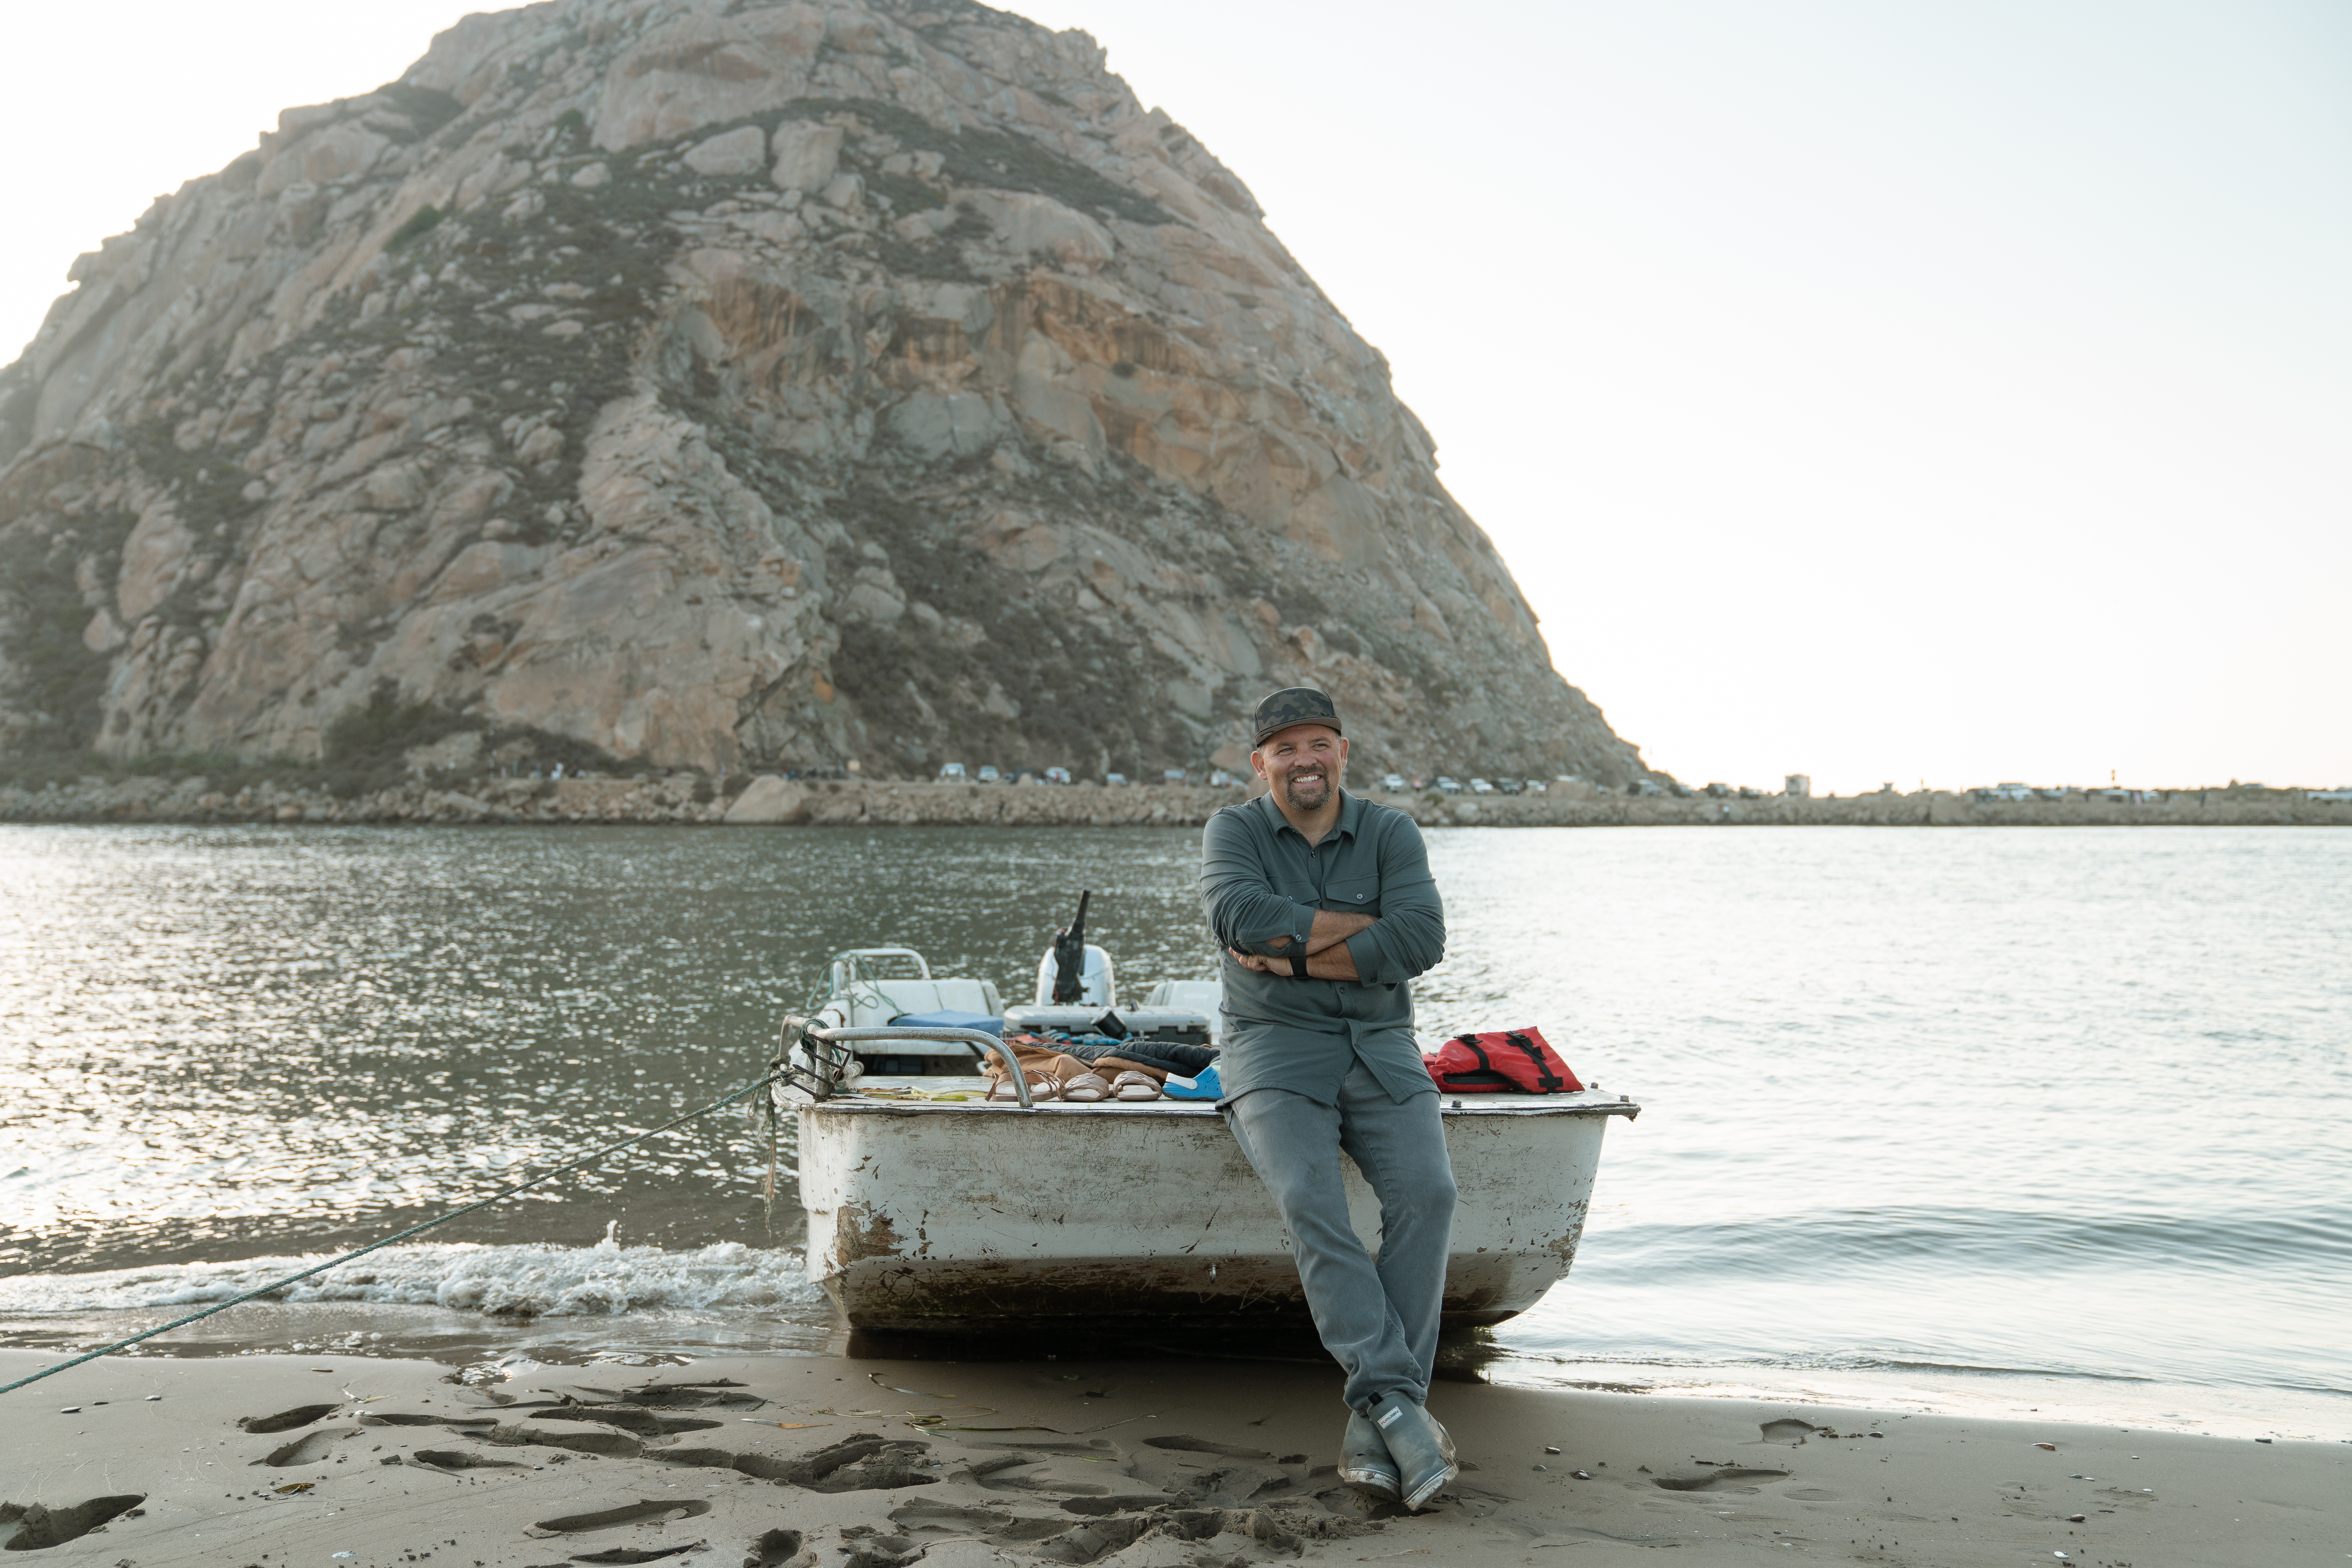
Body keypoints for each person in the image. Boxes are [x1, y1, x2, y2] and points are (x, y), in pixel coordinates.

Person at [1198, 686, 1459, 1510]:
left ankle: (1381, 1408)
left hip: (1380, 1046)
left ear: (1343, 751)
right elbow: (1238, 916)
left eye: (1318, 744)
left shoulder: (1390, 830)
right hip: (1272, 1049)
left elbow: (1423, 937)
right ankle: (1393, 1397)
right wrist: (1363, 926)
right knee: (1311, 1196)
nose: (1303, 760)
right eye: (1285, 748)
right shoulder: (1233, 830)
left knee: (1430, 1193)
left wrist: (1297, 950)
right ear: (1260, 762)